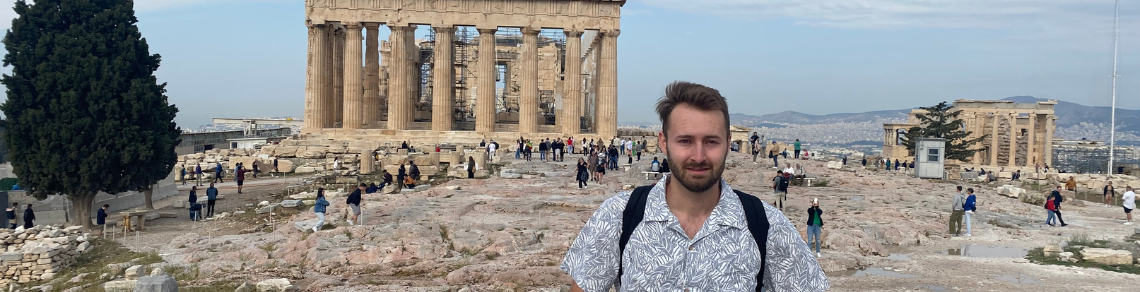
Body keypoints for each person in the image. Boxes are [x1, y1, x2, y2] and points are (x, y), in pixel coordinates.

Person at [560, 81, 828, 292]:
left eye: (711, 141)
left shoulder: (766, 224)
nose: (698, 156)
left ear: (728, 142)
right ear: (664, 143)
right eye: (685, 141)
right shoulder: (617, 215)